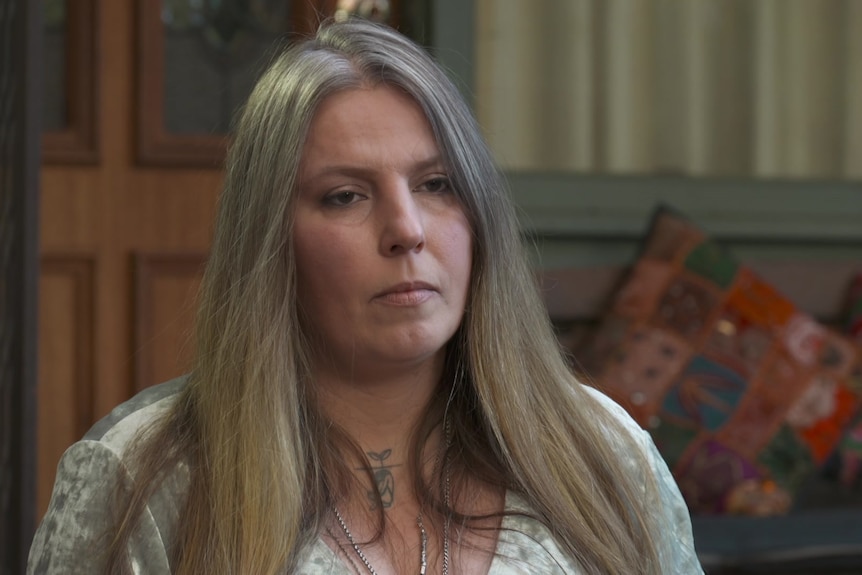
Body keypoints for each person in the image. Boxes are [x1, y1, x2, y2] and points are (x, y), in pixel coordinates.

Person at [28, 18, 702, 575]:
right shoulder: (143, 479)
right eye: (345, 195)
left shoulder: (602, 451)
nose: (406, 229)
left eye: (436, 184)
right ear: (269, 238)